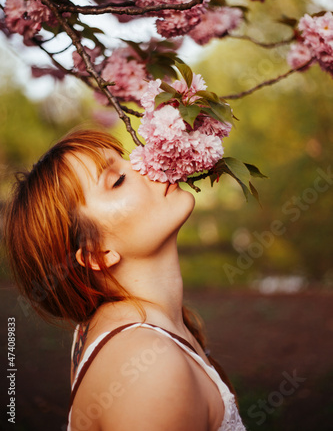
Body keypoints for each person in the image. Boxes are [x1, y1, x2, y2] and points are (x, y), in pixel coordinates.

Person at [5, 129, 246, 431]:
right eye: (117, 180)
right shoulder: (149, 372)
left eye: (129, 158)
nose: (147, 163)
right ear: (97, 254)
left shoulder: (117, 332)